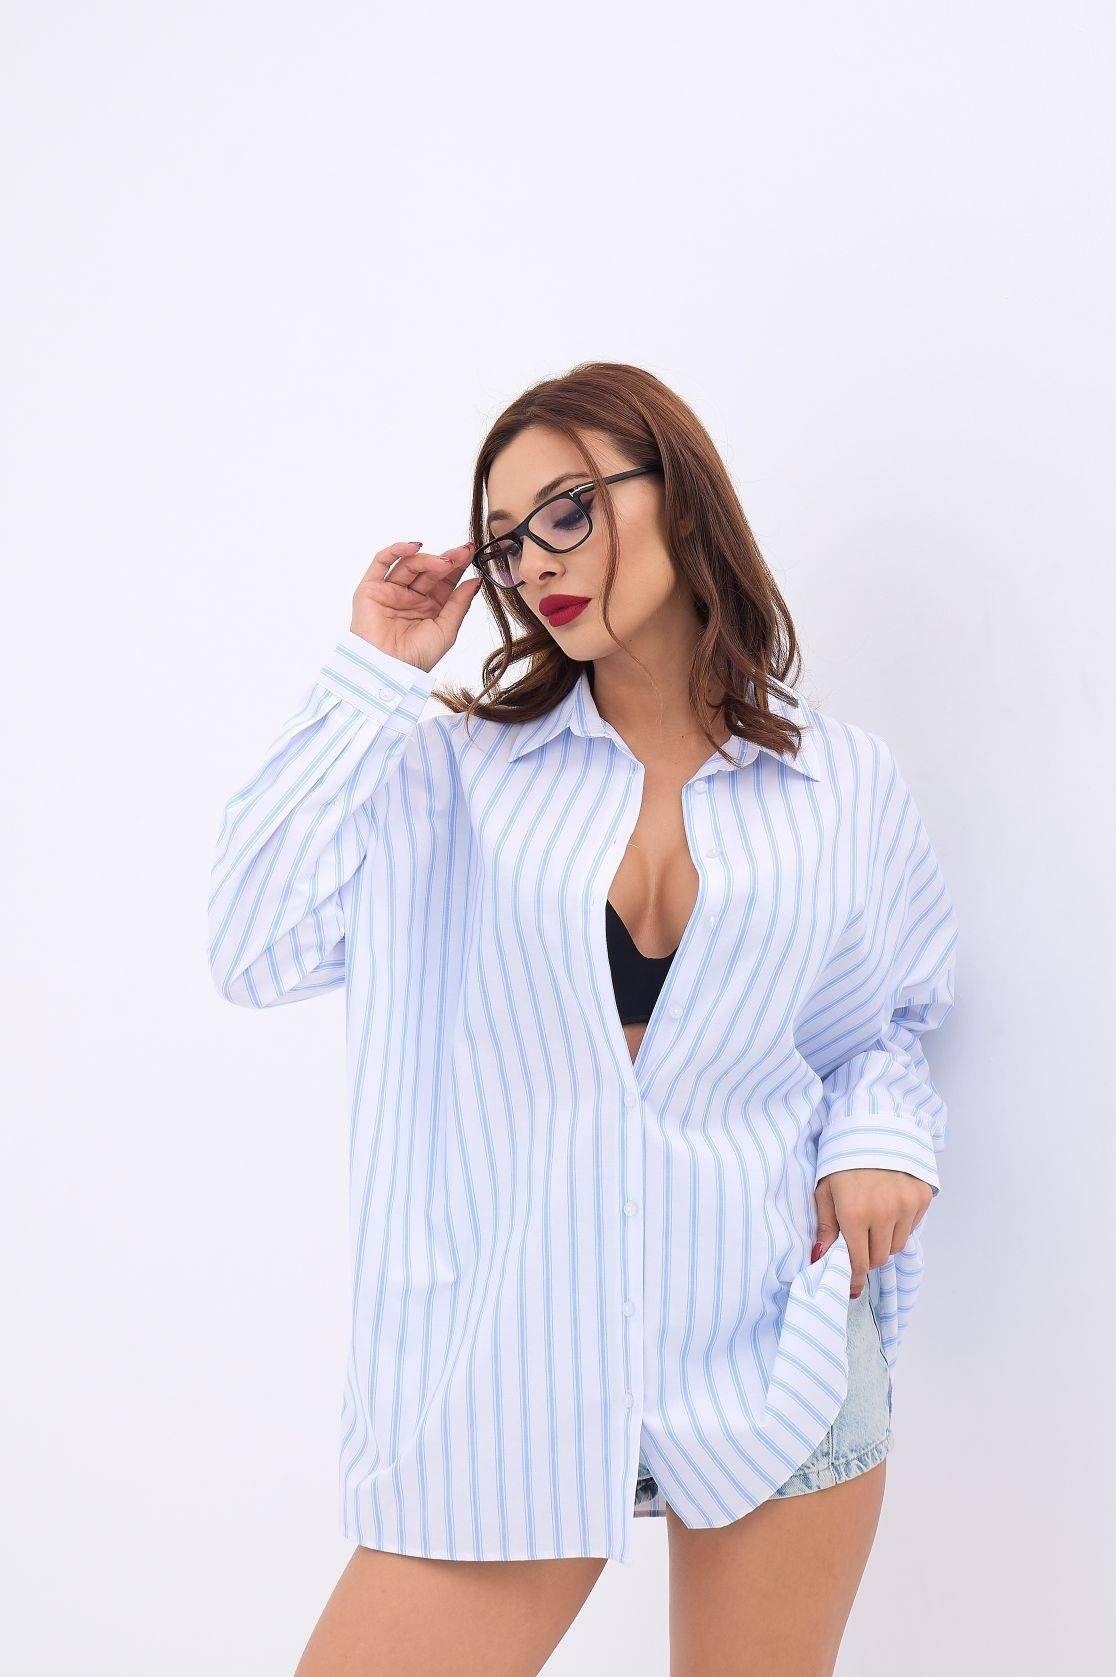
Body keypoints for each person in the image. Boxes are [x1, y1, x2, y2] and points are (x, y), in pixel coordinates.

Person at [207, 361, 959, 1676]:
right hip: (510, 1363)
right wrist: (374, 674)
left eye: (566, 509)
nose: (535, 561)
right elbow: (253, 949)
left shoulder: (841, 781)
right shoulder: (451, 775)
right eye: (506, 541)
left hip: (774, 1344)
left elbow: (883, 1022)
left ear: (678, 492)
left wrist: (879, 1140)